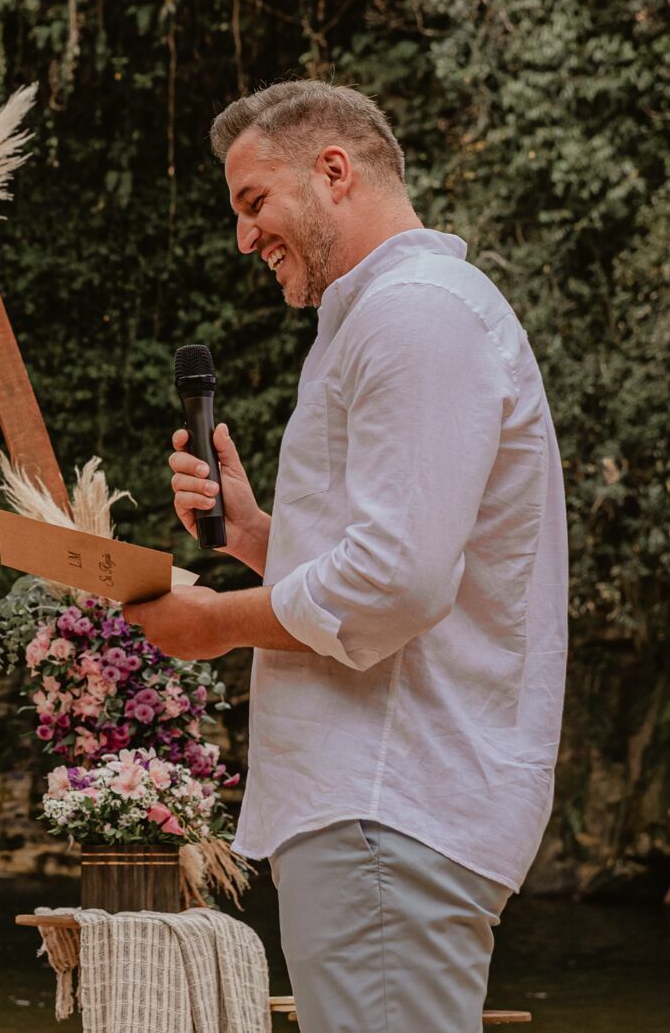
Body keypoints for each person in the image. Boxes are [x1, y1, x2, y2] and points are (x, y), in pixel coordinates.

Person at [124, 81, 568, 1032]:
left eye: (254, 203)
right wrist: (251, 536)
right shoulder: (393, 316)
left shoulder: (415, 315)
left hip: (388, 796)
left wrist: (212, 624)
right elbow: (406, 559)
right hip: (378, 801)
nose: (245, 238)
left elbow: (397, 583)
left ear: (335, 171)